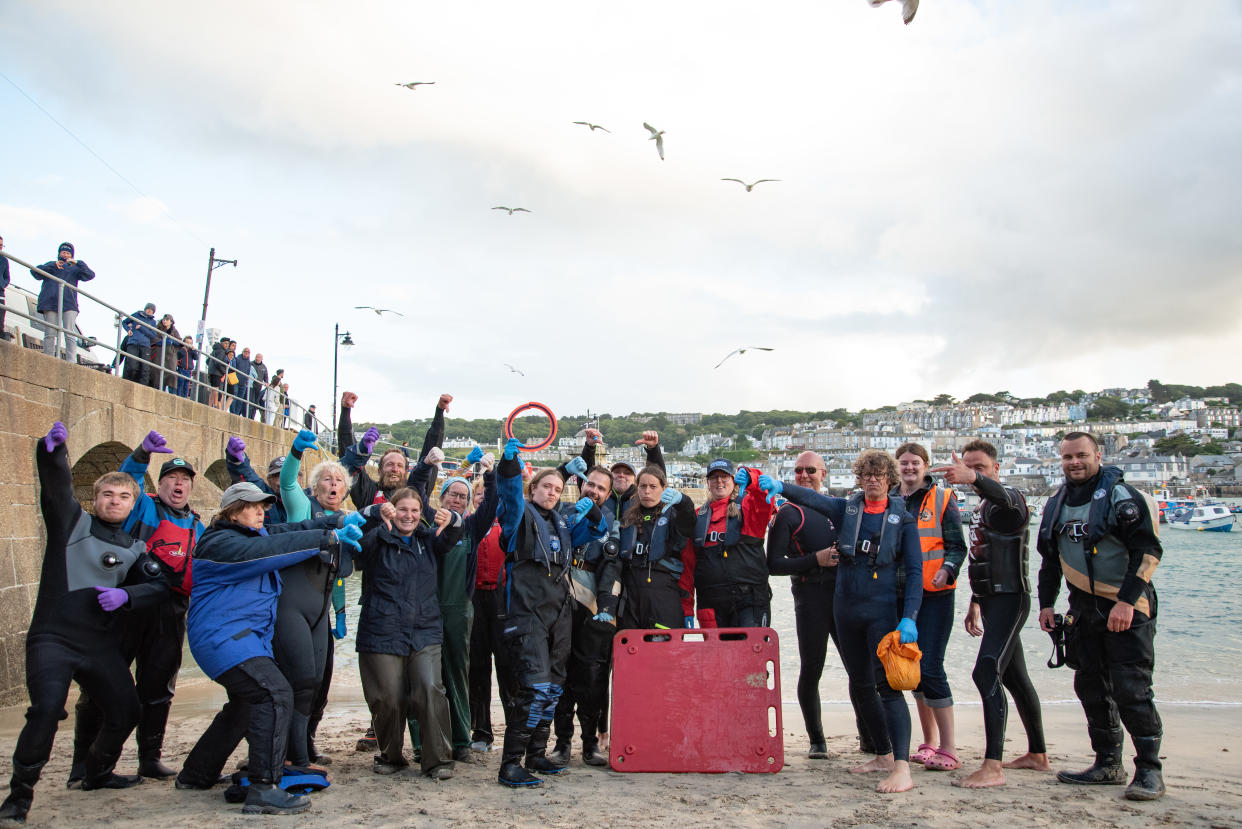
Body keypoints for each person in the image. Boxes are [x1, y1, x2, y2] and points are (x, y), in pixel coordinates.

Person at [0, 423, 168, 824]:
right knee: (45, 710)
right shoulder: (71, 524)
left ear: (134, 503)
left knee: (127, 710)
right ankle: (19, 797)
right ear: (94, 499)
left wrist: (128, 595)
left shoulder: (135, 547)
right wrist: (52, 452)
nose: (115, 501)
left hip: (97, 646)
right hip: (53, 639)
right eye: (107, 494)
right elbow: (55, 490)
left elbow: (161, 586)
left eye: (124, 496)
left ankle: (96, 772)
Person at [174, 482, 363, 815]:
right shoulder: (220, 543)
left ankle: (197, 773)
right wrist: (326, 540)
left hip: (244, 640)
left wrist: (336, 522)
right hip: (224, 639)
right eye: (253, 506)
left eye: (264, 506)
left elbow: (294, 528)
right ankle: (264, 787)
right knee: (275, 694)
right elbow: (276, 548)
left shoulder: (255, 535)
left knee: (246, 705)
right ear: (232, 511)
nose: (261, 512)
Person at [758, 449, 922, 794]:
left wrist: (909, 618)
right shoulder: (846, 509)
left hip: (881, 612)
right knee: (860, 683)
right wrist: (780, 485)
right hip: (845, 610)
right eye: (866, 475)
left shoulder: (903, 518)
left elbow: (916, 572)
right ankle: (882, 753)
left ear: (890, 480)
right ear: (858, 479)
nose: (873, 480)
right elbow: (810, 497)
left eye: (879, 475)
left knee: (888, 688)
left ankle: (901, 767)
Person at [69, 431, 204, 785]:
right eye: (172, 478)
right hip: (126, 604)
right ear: (159, 485)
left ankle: (150, 758)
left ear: (191, 488)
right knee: (101, 686)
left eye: (185, 480)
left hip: (171, 608)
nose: (179, 484)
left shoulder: (198, 525)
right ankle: (82, 764)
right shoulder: (143, 506)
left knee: (158, 686)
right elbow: (126, 479)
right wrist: (143, 452)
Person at [1037, 431, 1165, 801]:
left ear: (1098, 455)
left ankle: (1150, 771)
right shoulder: (1056, 502)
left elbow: (1148, 551)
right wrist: (1048, 604)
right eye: (1067, 457)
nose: (1074, 462)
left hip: (1127, 605)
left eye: (1081, 455)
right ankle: (1108, 762)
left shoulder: (1123, 497)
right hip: (1083, 607)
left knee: (1132, 689)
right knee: (1090, 685)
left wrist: (1126, 602)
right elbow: (1050, 560)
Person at [931, 442, 1049, 789]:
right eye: (968, 468)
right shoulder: (983, 505)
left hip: (1012, 600)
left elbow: (1008, 499)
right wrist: (976, 601)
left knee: (985, 673)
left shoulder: (1010, 501)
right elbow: (984, 556)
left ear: (996, 468)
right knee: (1014, 678)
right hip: (992, 600)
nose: (973, 474)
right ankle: (1038, 755)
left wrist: (974, 479)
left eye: (980, 468)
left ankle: (993, 766)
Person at [494, 438, 607, 787]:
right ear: (534, 488)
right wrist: (509, 463)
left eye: (558, 489)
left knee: (555, 687)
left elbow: (598, 530)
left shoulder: (561, 522)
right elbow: (509, 493)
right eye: (547, 486)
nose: (553, 492)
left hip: (559, 615)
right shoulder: (518, 516)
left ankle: (537, 754)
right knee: (535, 688)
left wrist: (592, 507)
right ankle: (511, 763)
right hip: (527, 615)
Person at [355, 488, 464, 778]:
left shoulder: (427, 541)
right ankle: (390, 756)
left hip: (424, 629)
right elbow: (357, 554)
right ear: (391, 510)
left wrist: (452, 517)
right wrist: (375, 520)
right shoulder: (378, 539)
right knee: (387, 697)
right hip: (381, 629)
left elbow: (452, 535)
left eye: (415, 511)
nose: (409, 516)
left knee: (430, 689)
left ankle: (438, 760)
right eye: (403, 510)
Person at [766, 451, 858, 759]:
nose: (804, 475)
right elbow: (774, 564)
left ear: (824, 473)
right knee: (812, 669)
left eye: (810, 470)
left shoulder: (841, 509)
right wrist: (814, 560)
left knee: (857, 668)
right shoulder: (789, 514)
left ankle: (869, 736)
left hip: (844, 596)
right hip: (810, 598)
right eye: (798, 471)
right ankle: (817, 740)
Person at [409, 452, 498, 765]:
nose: (458, 500)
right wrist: (426, 465)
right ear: (442, 497)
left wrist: (490, 472)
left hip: (460, 610)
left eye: (463, 496)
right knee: (423, 678)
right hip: (424, 611)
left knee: (457, 676)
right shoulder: (427, 519)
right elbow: (414, 491)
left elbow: (492, 504)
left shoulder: (472, 528)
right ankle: (421, 743)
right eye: (453, 494)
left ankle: (461, 741)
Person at [276, 430, 353, 768]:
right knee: (300, 680)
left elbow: (338, 574)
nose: (333, 484)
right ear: (315, 486)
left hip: (320, 611)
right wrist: (294, 452)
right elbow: (287, 483)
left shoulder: (349, 520)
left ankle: (305, 743)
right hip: (290, 605)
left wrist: (342, 614)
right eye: (326, 479)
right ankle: (290, 751)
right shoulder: (301, 507)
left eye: (338, 480)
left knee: (318, 684)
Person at [894, 442, 966, 772]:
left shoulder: (943, 499)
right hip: (899, 595)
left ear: (925, 466)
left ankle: (949, 747)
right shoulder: (890, 499)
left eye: (915, 463)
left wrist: (947, 569)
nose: (909, 468)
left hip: (934, 595)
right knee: (913, 671)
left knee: (933, 666)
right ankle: (928, 741)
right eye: (904, 463)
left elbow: (957, 547)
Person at [548, 461, 624, 768]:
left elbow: (613, 566)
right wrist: (564, 468)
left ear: (608, 494)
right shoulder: (561, 512)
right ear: (581, 484)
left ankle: (591, 743)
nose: (593, 490)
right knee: (560, 673)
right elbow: (545, 486)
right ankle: (562, 742)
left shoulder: (612, 523)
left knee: (592, 677)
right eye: (590, 484)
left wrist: (607, 607)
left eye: (601, 488)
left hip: (592, 603)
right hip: (560, 601)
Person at [469, 465, 531, 754]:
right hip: (474, 601)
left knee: (508, 671)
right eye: (478, 495)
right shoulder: (467, 524)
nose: (482, 499)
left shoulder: (509, 525)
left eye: (486, 495)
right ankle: (481, 731)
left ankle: (515, 729)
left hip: (502, 601)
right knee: (478, 670)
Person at [685, 459, 774, 627]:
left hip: (749, 602)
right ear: (708, 483)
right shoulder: (697, 517)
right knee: (716, 654)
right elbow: (687, 567)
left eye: (724, 477)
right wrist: (686, 607)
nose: (719, 481)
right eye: (714, 477)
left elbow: (765, 496)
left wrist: (751, 477)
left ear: (733, 480)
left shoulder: (748, 509)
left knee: (751, 652)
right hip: (711, 605)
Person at [30, 242, 94, 363]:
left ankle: (71, 361)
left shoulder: (75, 269)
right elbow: (35, 272)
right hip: (50, 303)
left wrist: (78, 262)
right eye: (63, 252)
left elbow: (90, 275)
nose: (65, 255)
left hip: (69, 304)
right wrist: (53, 266)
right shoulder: (51, 265)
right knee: (50, 332)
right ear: (59, 253)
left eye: (68, 253)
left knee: (69, 333)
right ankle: (48, 358)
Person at [225, 437, 289, 525]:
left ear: (299, 478)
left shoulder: (307, 500)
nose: (283, 480)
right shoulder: (262, 494)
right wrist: (236, 459)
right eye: (277, 476)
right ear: (269, 480)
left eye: (289, 475)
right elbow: (247, 476)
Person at [121, 303, 159, 386]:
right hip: (133, 342)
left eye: (151, 310)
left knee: (144, 368)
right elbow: (124, 322)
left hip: (145, 346)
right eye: (148, 308)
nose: (149, 310)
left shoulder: (153, 322)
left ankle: (143, 386)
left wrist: (141, 328)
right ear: (145, 309)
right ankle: (128, 383)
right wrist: (128, 330)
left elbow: (152, 335)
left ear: (153, 312)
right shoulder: (137, 315)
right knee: (132, 365)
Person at [154, 314, 182, 393]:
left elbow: (179, 342)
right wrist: (163, 342)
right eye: (164, 319)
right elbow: (154, 339)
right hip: (160, 353)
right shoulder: (158, 329)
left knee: (171, 374)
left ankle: (172, 393)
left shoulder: (174, 331)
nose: (164, 321)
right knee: (159, 373)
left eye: (167, 320)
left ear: (171, 322)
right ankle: (160, 390)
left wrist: (172, 341)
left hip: (170, 354)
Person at [207, 337, 231, 409]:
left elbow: (207, 361)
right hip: (217, 373)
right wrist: (224, 371)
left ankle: (210, 405)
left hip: (211, 372)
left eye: (228, 344)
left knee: (213, 389)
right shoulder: (222, 351)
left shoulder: (214, 350)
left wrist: (211, 368)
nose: (227, 345)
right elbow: (218, 363)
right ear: (221, 343)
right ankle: (214, 404)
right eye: (225, 343)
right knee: (216, 390)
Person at [229, 347, 252, 416]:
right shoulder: (237, 358)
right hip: (236, 381)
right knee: (234, 397)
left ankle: (236, 414)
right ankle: (232, 412)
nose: (246, 353)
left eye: (248, 352)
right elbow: (234, 368)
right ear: (243, 351)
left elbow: (248, 372)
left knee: (240, 400)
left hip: (243, 383)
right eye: (245, 351)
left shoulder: (249, 362)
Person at [249, 353, 269, 421]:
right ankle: (248, 416)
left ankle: (252, 417)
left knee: (255, 403)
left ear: (261, 359)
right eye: (256, 357)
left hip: (258, 386)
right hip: (251, 385)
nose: (257, 358)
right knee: (250, 401)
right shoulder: (251, 363)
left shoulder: (264, 367)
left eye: (259, 357)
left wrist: (266, 383)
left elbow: (266, 376)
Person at [0, 235, 12, 341]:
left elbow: (7, 278)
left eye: (1, 245)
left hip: (0, 293)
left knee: (0, 319)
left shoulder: (4, 260)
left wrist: (1, 284)